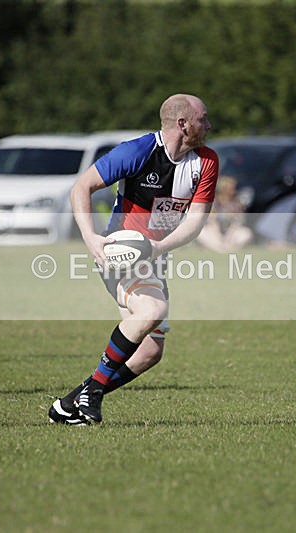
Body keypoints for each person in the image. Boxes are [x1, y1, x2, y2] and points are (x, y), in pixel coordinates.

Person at [49, 93, 218, 425]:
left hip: (154, 256)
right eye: (203, 119)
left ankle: (71, 402)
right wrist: (91, 238)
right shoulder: (138, 151)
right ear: (183, 124)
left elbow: (196, 222)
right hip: (121, 253)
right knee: (152, 311)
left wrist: (158, 248)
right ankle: (92, 393)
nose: (209, 125)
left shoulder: (206, 161)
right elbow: (81, 188)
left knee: (149, 353)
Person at [196, 175, 253, 253]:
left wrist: (228, 238)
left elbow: (236, 224)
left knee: (246, 233)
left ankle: (225, 249)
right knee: (201, 233)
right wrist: (219, 238)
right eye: (231, 188)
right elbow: (212, 223)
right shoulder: (213, 202)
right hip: (215, 232)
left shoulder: (236, 203)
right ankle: (220, 250)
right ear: (224, 189)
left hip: (231, 234)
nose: (234, 191)